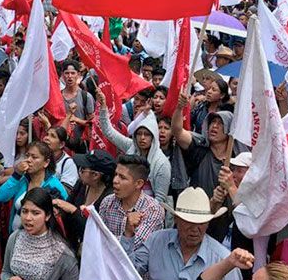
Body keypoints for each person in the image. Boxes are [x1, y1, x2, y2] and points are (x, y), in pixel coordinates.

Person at [122, 187, 242, 280]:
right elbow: (126, 274)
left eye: (201, 223)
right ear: (176, 219)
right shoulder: (157, 241)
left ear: (208, 223)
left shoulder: (223, 260)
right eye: (189, 222)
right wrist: (128, 235)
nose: (195, 229)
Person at [172, 92, 248, 241]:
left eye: (220, 124)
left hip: (227, 223)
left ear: (229, 129)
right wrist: (180, 108)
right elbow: (177, 131)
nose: (214, 127)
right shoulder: (199, 148)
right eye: (212, 123)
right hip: (196, 216)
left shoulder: (239, 159)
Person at [1, 188, 79, 280]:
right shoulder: (15, 238)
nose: (28, 218)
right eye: (24, 211)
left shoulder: (61, 252)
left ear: (47, 216)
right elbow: (5, 272)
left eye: (35, 213)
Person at [97, 89, 171, 205]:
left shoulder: (161, 163)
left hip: (148, 214)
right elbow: (108, 132)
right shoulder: (130, 146)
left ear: (153, 137)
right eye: (139, 134)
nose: (142, 138)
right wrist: (103, 107)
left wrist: (142, 215)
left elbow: (160, 200)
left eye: (146, 134)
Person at [0, 141, 68, 233]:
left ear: (46, 162)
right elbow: (1, 196)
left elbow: (63, 215)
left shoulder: (54, 186)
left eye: (34, 157)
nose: (28, 160)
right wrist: (16, 175)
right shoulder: (22, 180)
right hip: (16, 236)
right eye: (27, 156)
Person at [52, 150, 116, 252]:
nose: (79, 171)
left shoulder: (109, 198)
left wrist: (74, 211)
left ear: (95, 175)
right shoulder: (82, 184)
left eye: (82, 169)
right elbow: (67, 208)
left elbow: (97, 230)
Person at [99, 155, 164, 251]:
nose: (115, 181)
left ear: (139, 184)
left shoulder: (153, 209)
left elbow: (137, 246)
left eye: (122, 177)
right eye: (115, 175)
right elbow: (98, 237)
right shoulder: (107, 202)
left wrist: (127, 233)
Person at [42, 126, 78, 193]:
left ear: (61, 144)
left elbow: (66, 191)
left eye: (52, 136)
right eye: (47, 134)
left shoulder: (68, 163)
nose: (47, 138)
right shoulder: (39, 158)